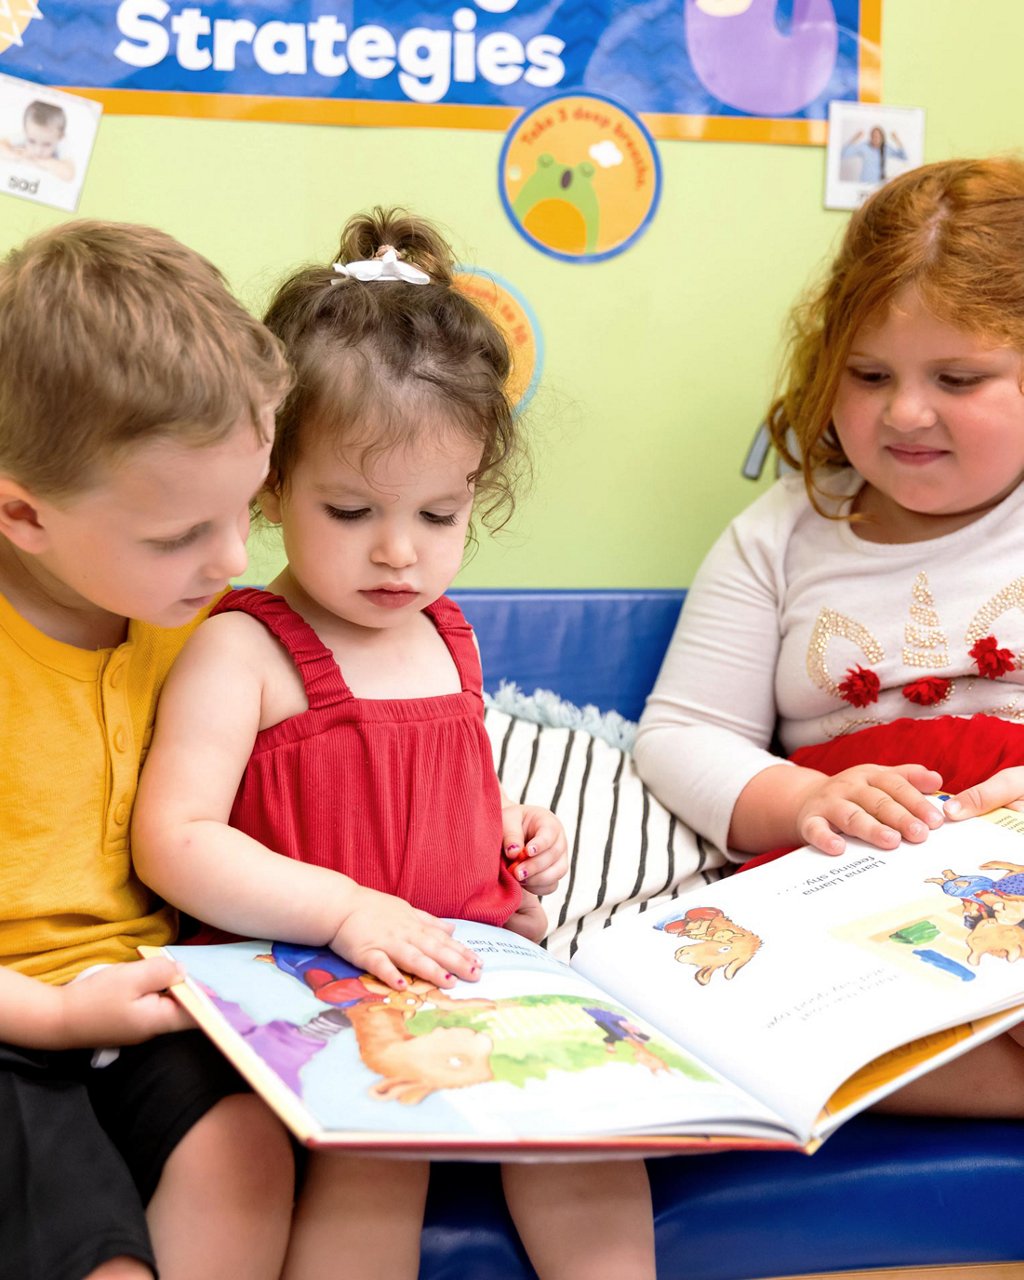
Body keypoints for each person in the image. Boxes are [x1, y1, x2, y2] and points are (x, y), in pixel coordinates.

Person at [133, 207, 657, 1280]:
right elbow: (174, 839)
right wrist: (344, 909)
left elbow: (434, 798)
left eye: (439, 514)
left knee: (588, 1133)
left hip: (462, 971)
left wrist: (509, 840)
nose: (397, 552)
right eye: (350, 506)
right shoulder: (243, 646)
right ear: (270, 483)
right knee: (378, 1159)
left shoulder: (445, 635)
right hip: (313, 983)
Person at [634, 156, 1024, 1116]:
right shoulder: (780, 534)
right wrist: (807, 797)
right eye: (869, 374)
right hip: (854, 889)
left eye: (959, 377)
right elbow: (681, 734)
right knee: (699, 1002)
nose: (904, 412)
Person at [0, 220, 299, 1280]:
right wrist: (51, 1010)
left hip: (156, 995)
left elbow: (328, 761)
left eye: (245, 513)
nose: (230, 561)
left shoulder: (201, 619)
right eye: (179, 536)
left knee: (249, 1150)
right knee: (97, 1250)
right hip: (10, 1016)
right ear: (22, 512)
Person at [0, 99, 76, 181]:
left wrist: (37, 161)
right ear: (25, 131)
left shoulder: (61, 142)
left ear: (60, 137)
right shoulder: (29, 132)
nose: (38, 151)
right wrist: (18, 156)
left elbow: (69, 174)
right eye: (32, 141)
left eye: (47, 144)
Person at [840, 124, 907, 186]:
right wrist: (854, 138)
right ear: (871, 137)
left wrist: (897, 140)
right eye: (873, 136)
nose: (876, 138)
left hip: (880, 185)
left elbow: (904, 157)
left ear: (882, 138)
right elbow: (843, 154)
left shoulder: (886, 148)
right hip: (865, 184)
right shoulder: (865, 147)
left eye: (878, 136)